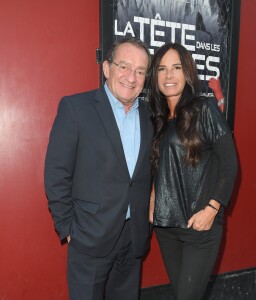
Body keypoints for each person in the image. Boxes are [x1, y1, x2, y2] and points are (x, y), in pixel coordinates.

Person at [44, 37, 153, 300]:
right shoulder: (76, 108)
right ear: (107, 68)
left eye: (140, 71)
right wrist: (68, 228)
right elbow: (56, 173)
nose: (131, 76)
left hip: (132, 237)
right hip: (89, 237)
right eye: (124, 66)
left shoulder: (149, 115)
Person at [147, 42, 237, 300]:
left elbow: (229, 164)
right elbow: (158, 165)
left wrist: (212, 209)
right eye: (162, 69)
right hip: (166, 227)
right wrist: (153, 199)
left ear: (187, 72)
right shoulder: (157, 117)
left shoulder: (205, 109)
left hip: (199, 226)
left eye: (176, 67)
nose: (169, 75)